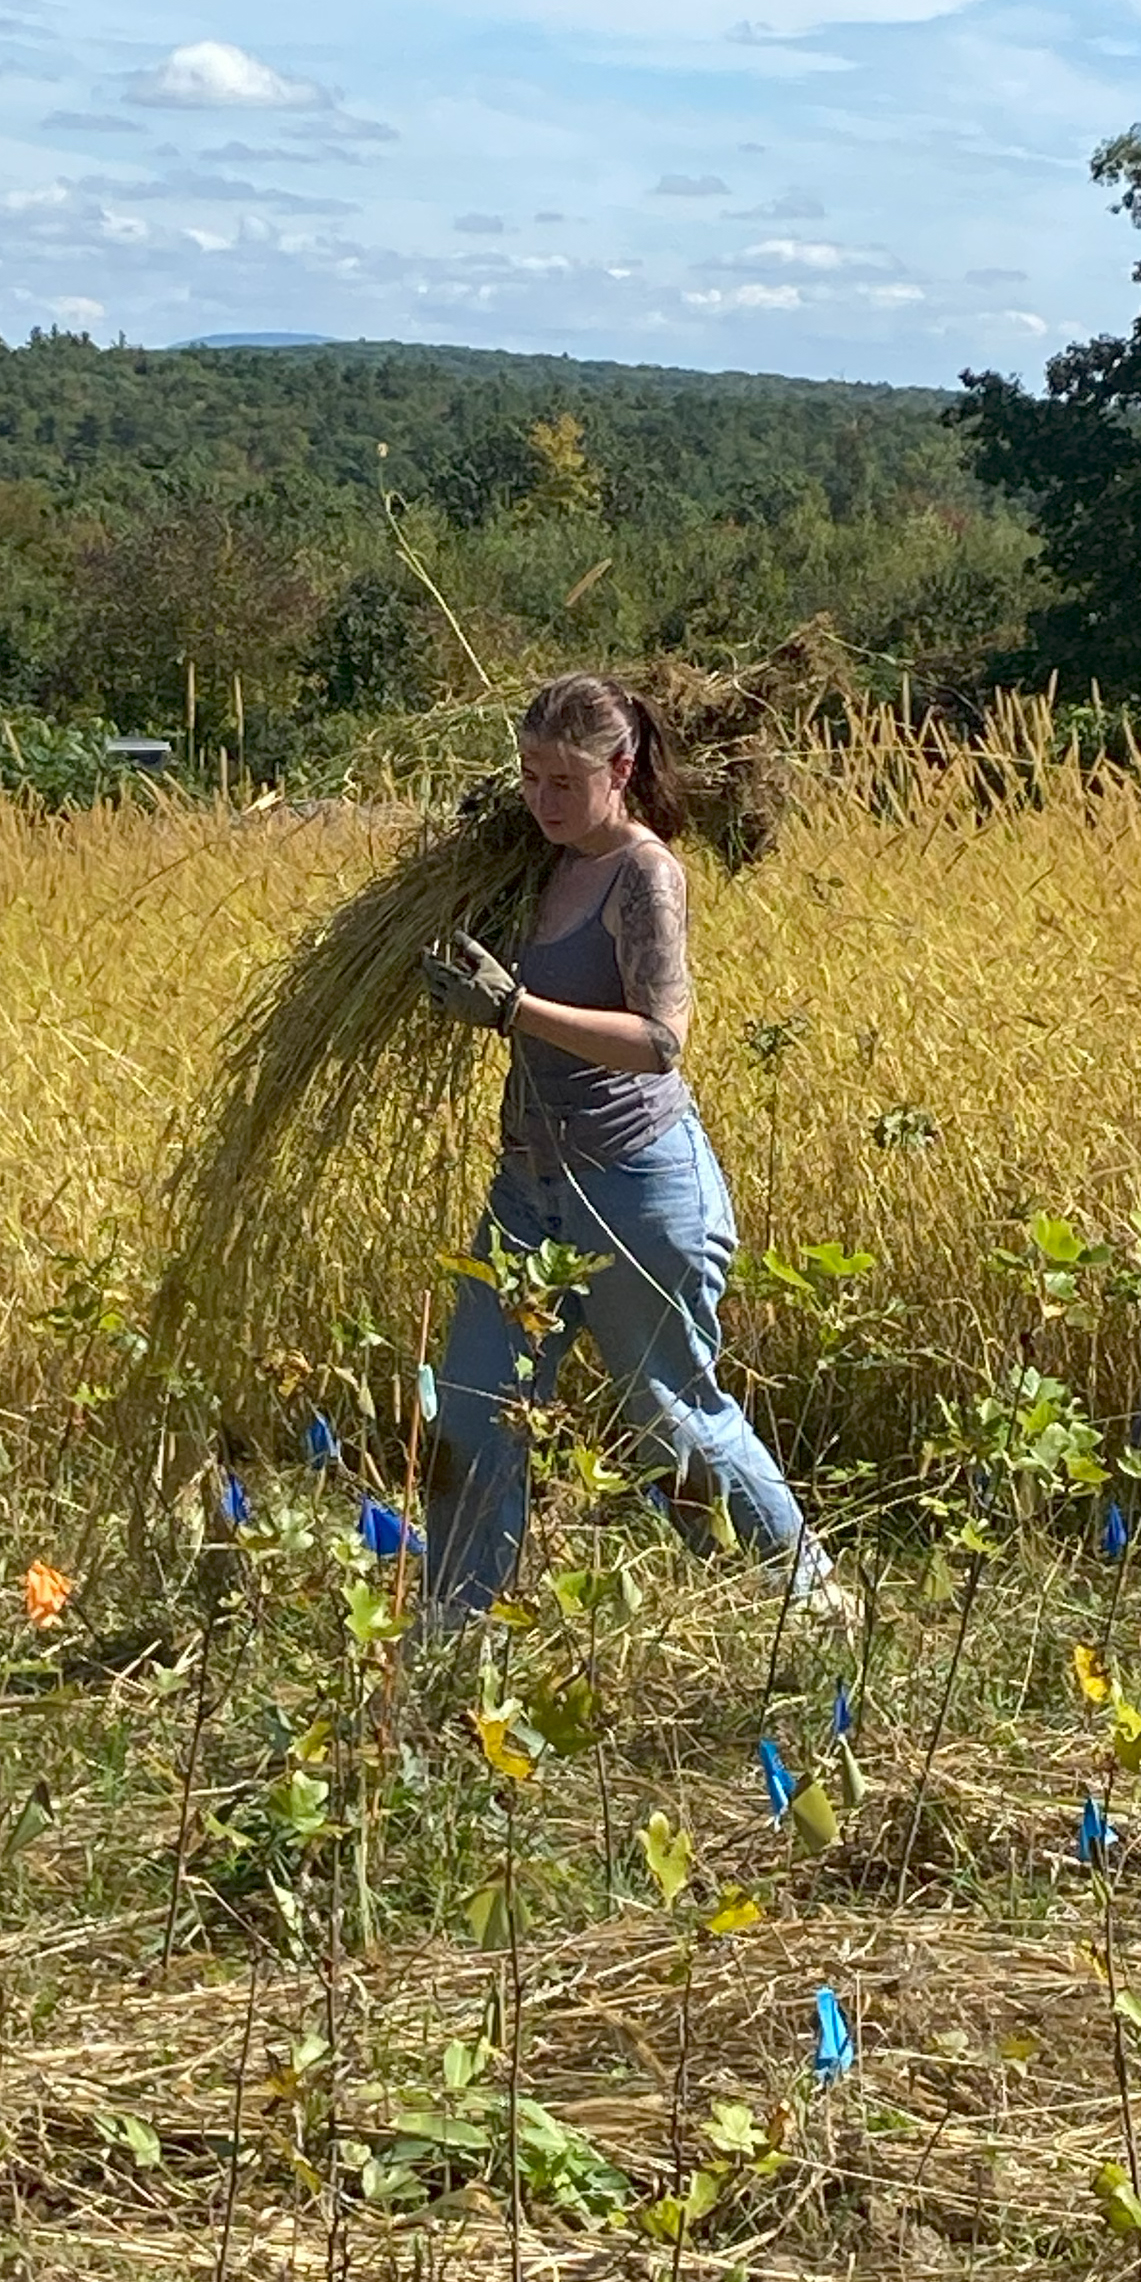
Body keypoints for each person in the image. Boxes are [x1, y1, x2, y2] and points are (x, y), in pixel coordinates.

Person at [416, 672, 838, 1624]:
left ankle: (806, 1600)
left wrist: (514, 1010)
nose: (542, 799)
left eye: (565, 781)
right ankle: (454, 1619)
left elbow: (659, 1040)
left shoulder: (646, 875)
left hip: (634, 1184)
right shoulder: (531, 860)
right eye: (529, 776)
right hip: (528, 1186)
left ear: (621, 768)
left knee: (669, 1411)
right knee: (476, 1402)